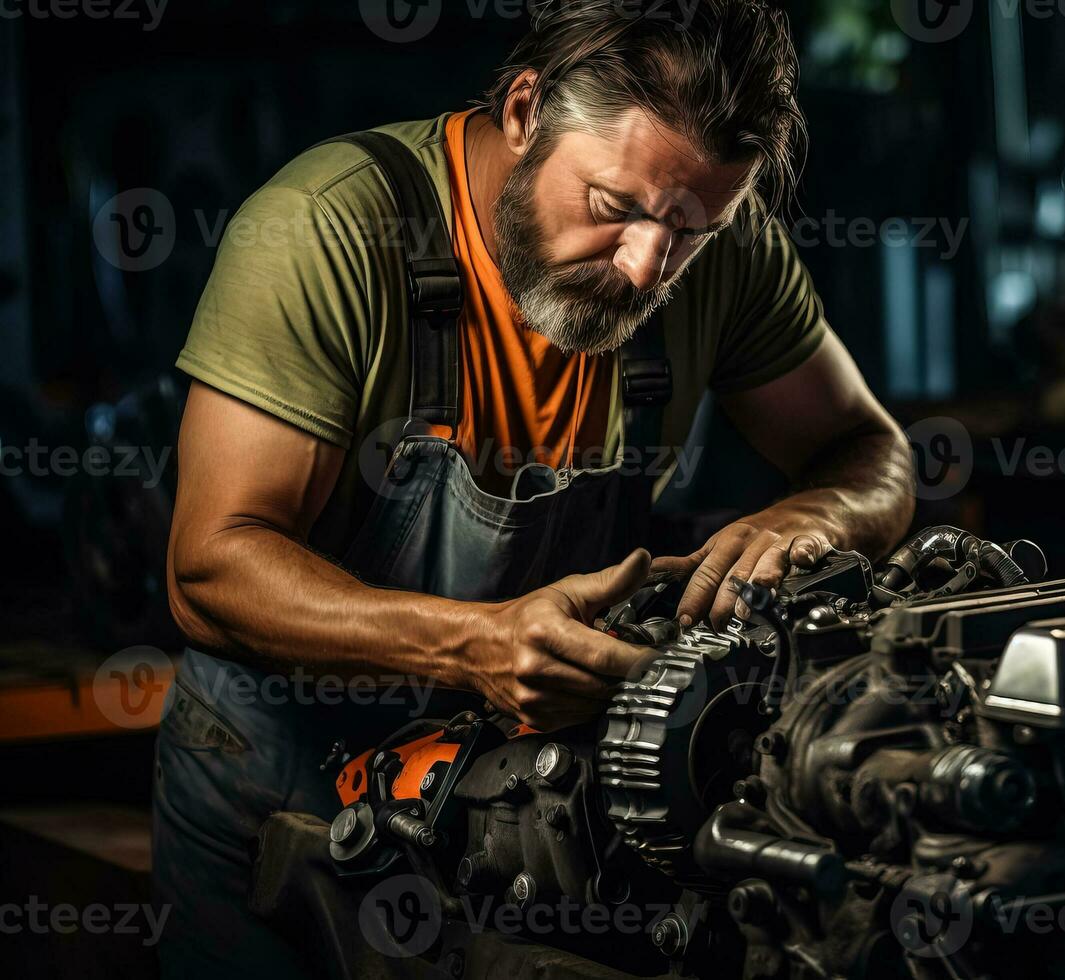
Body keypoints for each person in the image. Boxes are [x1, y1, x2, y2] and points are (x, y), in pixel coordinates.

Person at [154, 1, 914, 975]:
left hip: (526, 815)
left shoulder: (721, 252)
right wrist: (478, 641)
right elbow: (210, 567)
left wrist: (817, 510)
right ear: (524, 111)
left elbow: (872, 450)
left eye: (691, 230)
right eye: (614, 208)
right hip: (283, 792)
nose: (647, 268)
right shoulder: (327, 229)